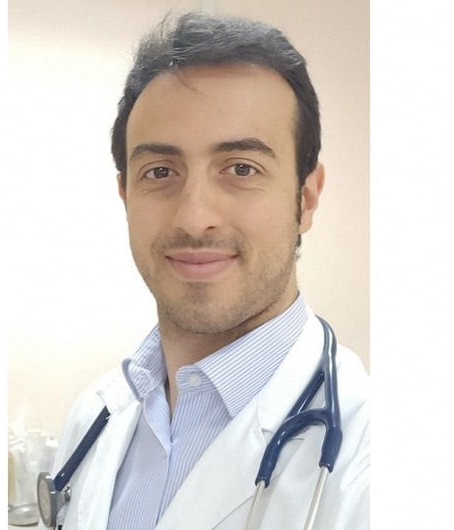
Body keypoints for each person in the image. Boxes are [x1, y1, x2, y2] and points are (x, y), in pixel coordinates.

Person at [38, 11, 369, 530]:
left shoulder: (373, 463)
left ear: (306, 197)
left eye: (241, 168)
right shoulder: (94, 417)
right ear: (125, 195)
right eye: (160, 171)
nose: (194, 217)